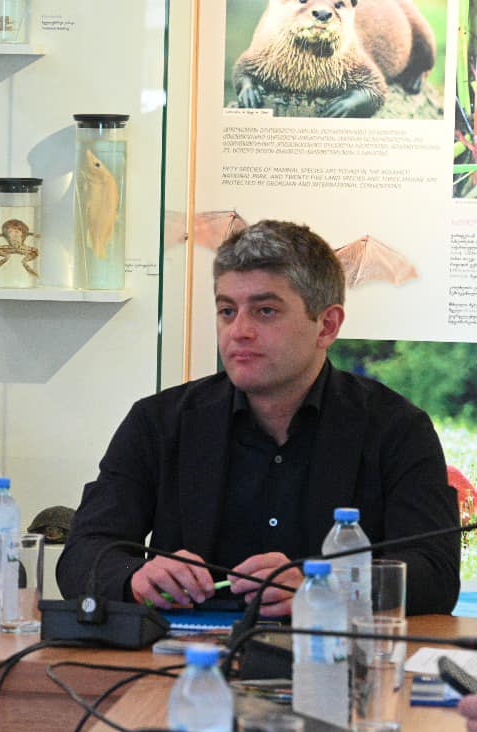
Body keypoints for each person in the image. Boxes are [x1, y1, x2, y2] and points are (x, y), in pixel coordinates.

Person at [56, 219, 459, 617]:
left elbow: (435, 573)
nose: (239, 331)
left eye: (265, 311)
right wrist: (134, 577)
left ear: (327, 325)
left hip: (331, 649)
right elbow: (83, 554)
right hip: (186, 651)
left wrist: (328, 587)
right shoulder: (159, 422)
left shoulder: (397, 428)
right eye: (227, 311)